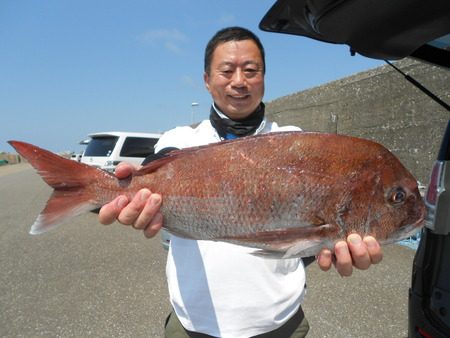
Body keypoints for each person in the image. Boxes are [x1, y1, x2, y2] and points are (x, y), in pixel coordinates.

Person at [99, 27, 383, 337]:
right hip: (193, 325)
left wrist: (329, 246)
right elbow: (157, 165)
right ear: (207, 80)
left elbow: (305, 233)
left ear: (264, 78)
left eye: (251, 70)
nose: (239, 81)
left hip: (280, 325)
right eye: (227, 71)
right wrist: (127, 191)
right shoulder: (179, 141)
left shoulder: (295, 141)